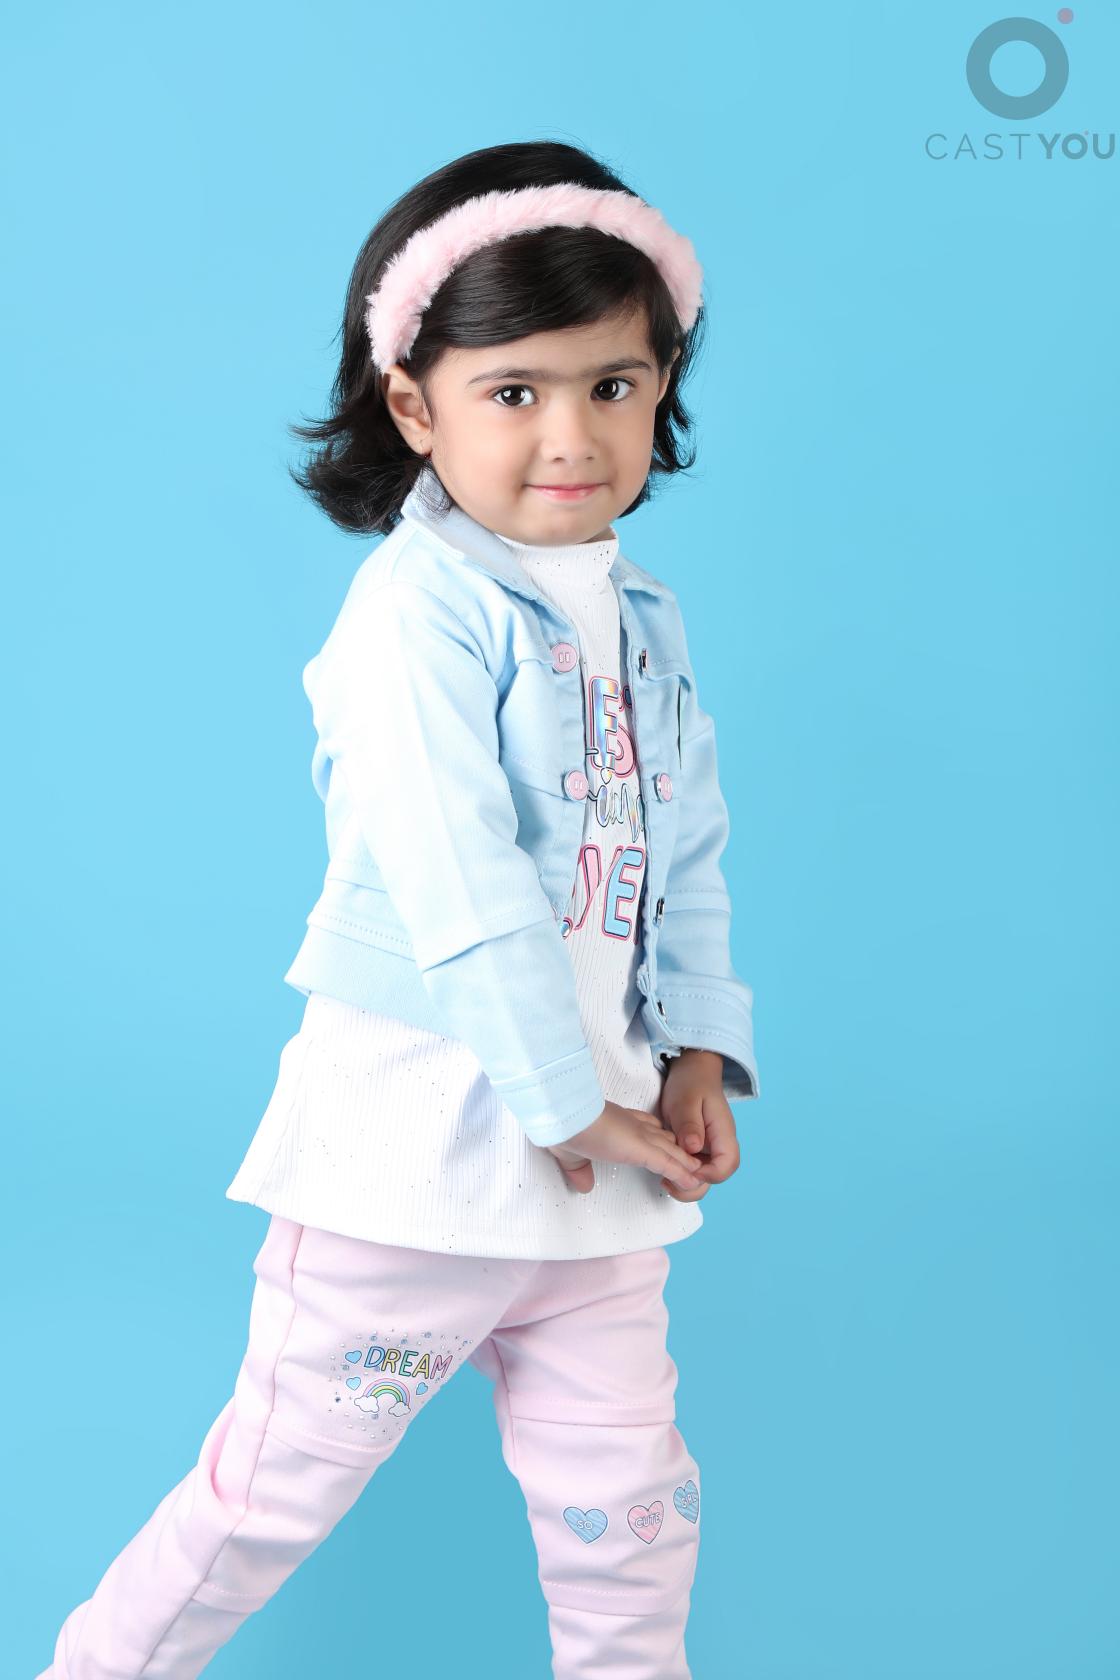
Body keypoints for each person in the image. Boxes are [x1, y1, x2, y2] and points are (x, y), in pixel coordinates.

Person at [36, 138, 760, 1680]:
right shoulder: (413, 616)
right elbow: (457, 878)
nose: (571, 434)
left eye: (614, 385)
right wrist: (563, 1100)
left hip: (604, 1175)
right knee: (264, 1503)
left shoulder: (642, 616)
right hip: (413, 1170)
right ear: (415, 406)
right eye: (514, 391)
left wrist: (696, 1048)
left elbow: (685, 847)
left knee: (631, 1519)